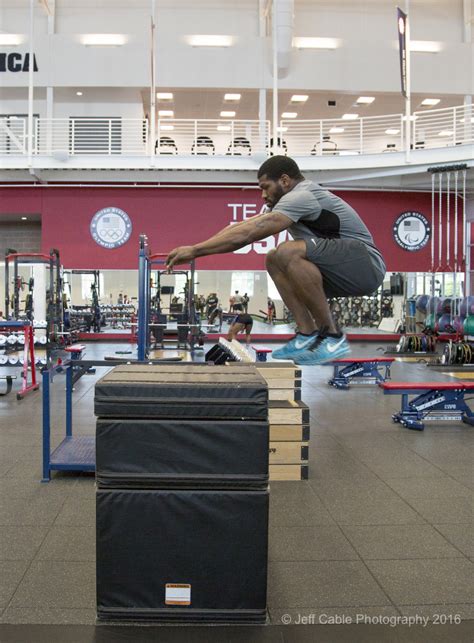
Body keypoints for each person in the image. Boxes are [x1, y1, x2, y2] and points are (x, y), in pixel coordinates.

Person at [166, 155, 385, 364]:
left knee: (287, 251)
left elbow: (249, 234)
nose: (262, 195)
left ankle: (332, 338)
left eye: (265, 187)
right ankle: (306, 335)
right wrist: (196, 247)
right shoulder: (286, 203)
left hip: (365, 263)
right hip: (341, 271)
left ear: (285, 180)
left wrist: (195, 251)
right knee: (273, 258)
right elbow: (240, 228)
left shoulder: (303, 195)